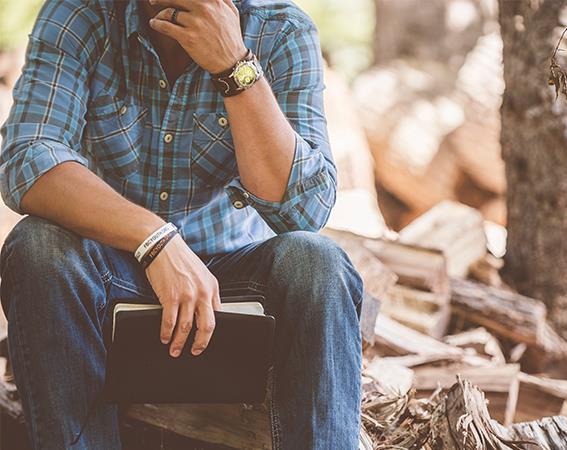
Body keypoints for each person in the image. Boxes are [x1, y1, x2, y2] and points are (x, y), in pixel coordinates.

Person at [0, 0, 363, 448]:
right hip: (109, 279)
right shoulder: (81, 14)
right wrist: (153, 240)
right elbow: (28, 160)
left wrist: (235, 66)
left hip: (232, 292)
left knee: (319, 264)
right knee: (38, 244)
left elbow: (305, 211)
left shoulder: (281, 29)